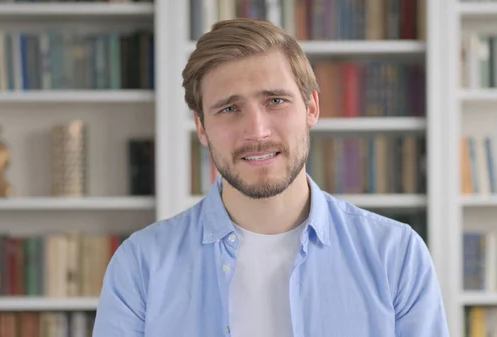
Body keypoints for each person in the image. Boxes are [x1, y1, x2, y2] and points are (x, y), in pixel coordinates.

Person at [92, 18, 450, 337]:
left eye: (275, 101)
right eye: (229, 109)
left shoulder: (396, 255)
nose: (257, 131)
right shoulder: (140, 265)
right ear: (202, 128)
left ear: (311, 108)